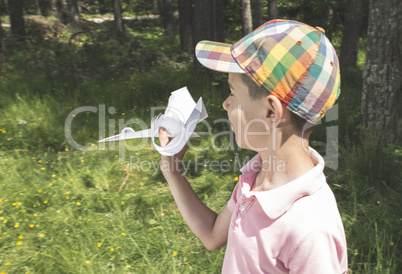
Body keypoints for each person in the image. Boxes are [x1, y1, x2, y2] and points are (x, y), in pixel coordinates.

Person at [158, 19, 348, 273]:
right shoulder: (256, 177)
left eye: (233, 94)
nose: (225, 104)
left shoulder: (311, 229)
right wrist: (171, 169)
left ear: (271, 112)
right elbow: (213, 235)